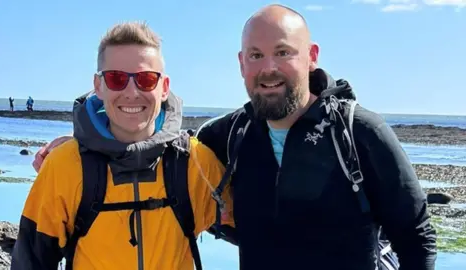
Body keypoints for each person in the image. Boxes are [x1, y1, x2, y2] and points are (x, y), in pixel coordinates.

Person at [32, 4, 437, 270]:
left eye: (283, 52)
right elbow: (156, 144)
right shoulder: (229, 135)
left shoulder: (358, 132)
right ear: (242, 63)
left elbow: (416, 235)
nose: (269, 68)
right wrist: (82, 142)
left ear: (311, 56)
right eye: (257, 56)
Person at [11, 22, 233, 270]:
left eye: (146, 79)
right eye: (116, 79)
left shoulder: (195, 162)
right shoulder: (64, 165)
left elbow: (260, 228)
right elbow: (30, 260)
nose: (131, 92)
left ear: (164, 88)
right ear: (98, 86)